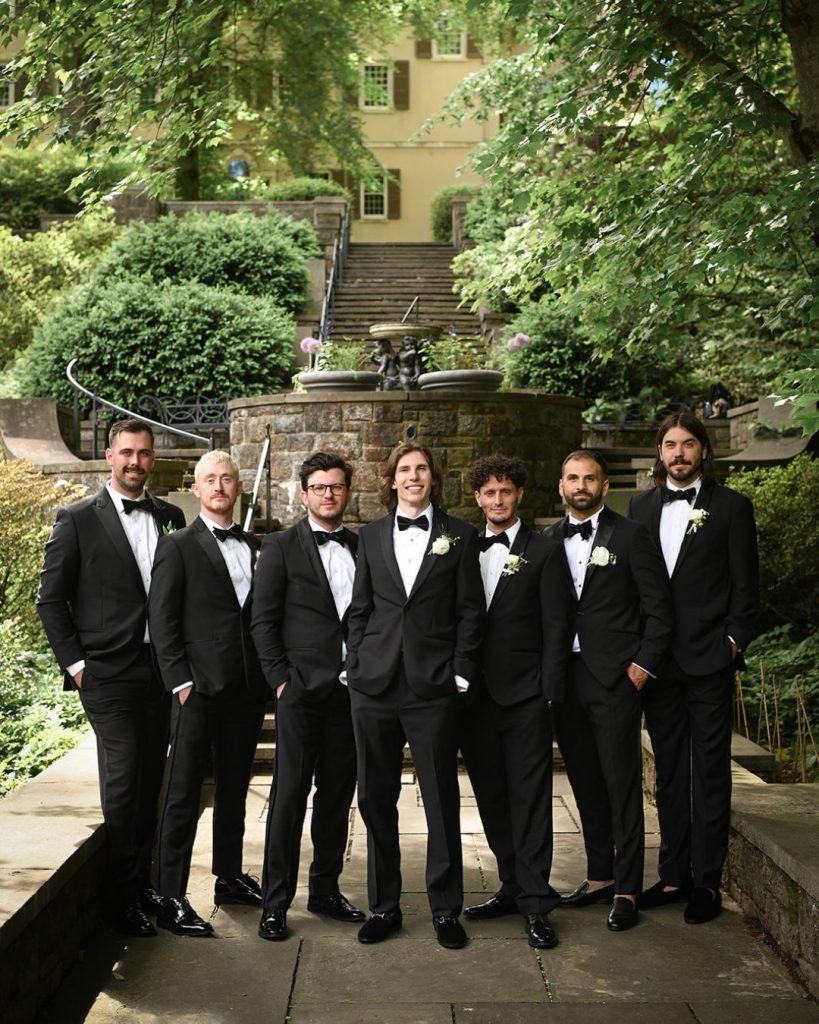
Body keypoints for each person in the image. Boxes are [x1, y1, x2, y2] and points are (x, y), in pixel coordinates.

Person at [37, 419, 186, 936]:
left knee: (149, 782)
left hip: (161, 673)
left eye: (143, 454)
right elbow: (51, 599)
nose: (135, 462)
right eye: (126, 453)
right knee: (123, 783)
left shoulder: (169, 517)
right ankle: (122, 901)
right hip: (107, 674)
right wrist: (78, 667)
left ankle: (143, 886)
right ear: (109, 456)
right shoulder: (78, 518)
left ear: (153, 459)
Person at [345, 443, 484, 949]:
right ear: (391, 480)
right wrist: (355, 663)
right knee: (374, 797)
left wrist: (460, 672)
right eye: (404, 469)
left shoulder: (460, 535)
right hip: (374, 684)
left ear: (433, 478)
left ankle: (446, 910)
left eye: (421, 468)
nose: (413, 476)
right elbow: (360, 608)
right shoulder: (370, 535)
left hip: (433, 685)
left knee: (441, 797)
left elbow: (471, 611)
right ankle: (384, 906)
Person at [629, 411, 758, 923]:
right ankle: (673, 875)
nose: (678, 453)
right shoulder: (640, 506)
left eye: (687, 444)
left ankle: (706, 881)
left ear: (704, 450)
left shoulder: (731, 507)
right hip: (658, 663)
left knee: (709, 771)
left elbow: (746, 588)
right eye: (670, 444)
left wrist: (732, 642)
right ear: (659, 453)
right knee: (667, 772)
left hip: (709, 659)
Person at [542, 449, 673, 932]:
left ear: (603, 486)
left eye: (590, 478)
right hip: (565, 679)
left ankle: (627, 887)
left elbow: (660, 609)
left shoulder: (632, 536)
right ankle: (599, 876)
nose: (581, 486)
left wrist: (641, 666)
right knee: (584, 781)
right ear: (561, 486)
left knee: (621, 785)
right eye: (573, 478)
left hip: (616, 678)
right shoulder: (547, 540)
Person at [148, 450, 267, 937]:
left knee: (235, 789)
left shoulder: (256, 546)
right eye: (209, 479)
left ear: (238, 487)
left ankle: (230, 877)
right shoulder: (177, 546)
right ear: (196, 489)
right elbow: (162, 619)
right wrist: (180, 682)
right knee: (182, 793)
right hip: (195, 691)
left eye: (226, 479)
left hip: (246, 690)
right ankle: (170, 894)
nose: (219, 486)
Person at [251, 452, 365, 941]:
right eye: (319, 487)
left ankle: (325, 890)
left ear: (347, 492)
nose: (328, 494)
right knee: (289, 797)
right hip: (299, 692)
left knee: (337, 797)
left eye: (336, 486)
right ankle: (275, 903)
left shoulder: (363, 546)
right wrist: (281, 680)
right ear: (303, 495)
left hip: (351, 693)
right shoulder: (279, 546)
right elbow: (262, 620)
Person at [461, 455, 571, 949]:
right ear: (478, 498)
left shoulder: (544, 552)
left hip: (526, 696)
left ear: (519, 495)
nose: (498, 500)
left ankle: (536, 903)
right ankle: (510, 885)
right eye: (489, 492)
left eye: (506, 492)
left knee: (530, 801)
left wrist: (549, 693)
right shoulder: (464, 546)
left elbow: (557, 628)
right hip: (473, 697)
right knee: (491, 797)